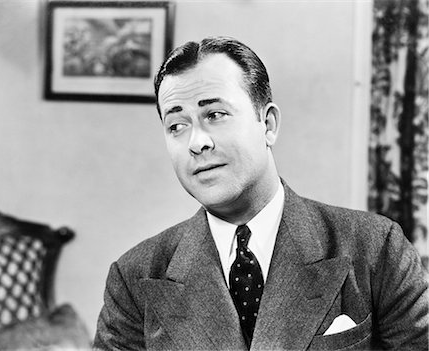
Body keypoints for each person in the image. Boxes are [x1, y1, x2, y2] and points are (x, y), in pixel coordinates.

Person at [94, 37, 428, 350]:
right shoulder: (135, 278)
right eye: (176, 126)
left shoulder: (375, 249)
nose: (197, 142)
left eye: (215, 115)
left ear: (267, 124)